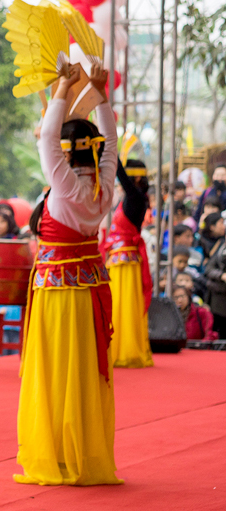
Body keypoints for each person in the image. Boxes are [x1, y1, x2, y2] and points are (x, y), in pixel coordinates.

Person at [16, 60, 119, 487]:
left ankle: (57, 452)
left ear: (65, 149)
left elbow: (46, 140)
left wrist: (63, 87)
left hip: (58, 296)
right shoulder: (103, 185)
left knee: (55, 372)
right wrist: (98, 94)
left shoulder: (64, 186)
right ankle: (82, 451)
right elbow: (110, 144)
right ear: (93, 150)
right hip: (90, 288)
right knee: (82, 374)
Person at [102, 158, 154, 368]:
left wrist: (111, 152)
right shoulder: (132, 198)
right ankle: (119, 348)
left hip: (126, 263)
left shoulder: (136, 198)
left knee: (122, 306)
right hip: (120, 260)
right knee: (119, 306)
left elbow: (122, 177)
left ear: (138, 178)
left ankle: (125, 351)